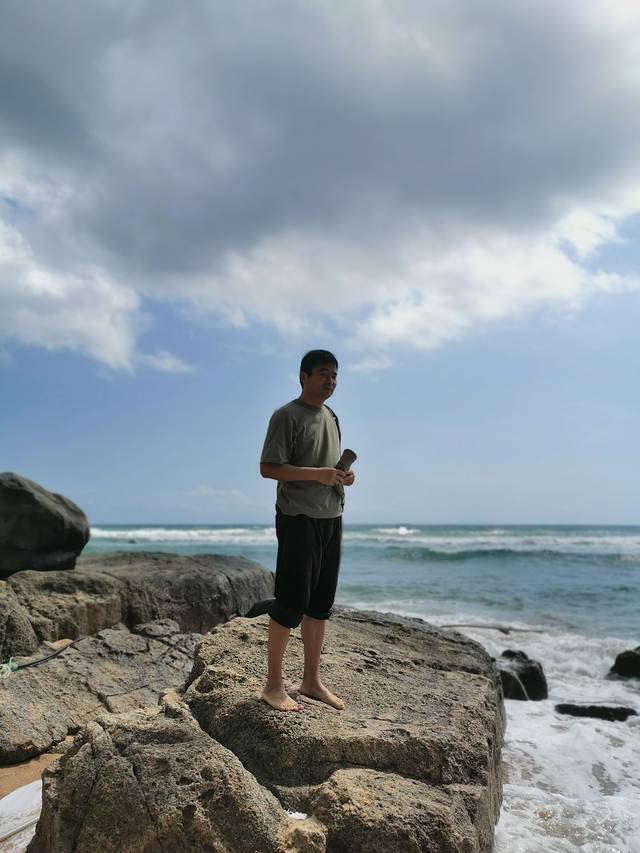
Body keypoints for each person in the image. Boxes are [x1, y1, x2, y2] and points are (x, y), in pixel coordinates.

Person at [259, 349, 355, 712]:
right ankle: (272, 686)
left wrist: (343, 476)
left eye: (335, 375)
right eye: (323, 374)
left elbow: (327, 466)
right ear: (303, 377)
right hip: (297, 516)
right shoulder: (286, 415)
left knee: (320, 604)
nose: (330, 381)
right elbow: (269, 467)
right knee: (291, 602)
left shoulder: (331, 416)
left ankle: (311, 681)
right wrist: (318, 474)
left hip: (331, 515)